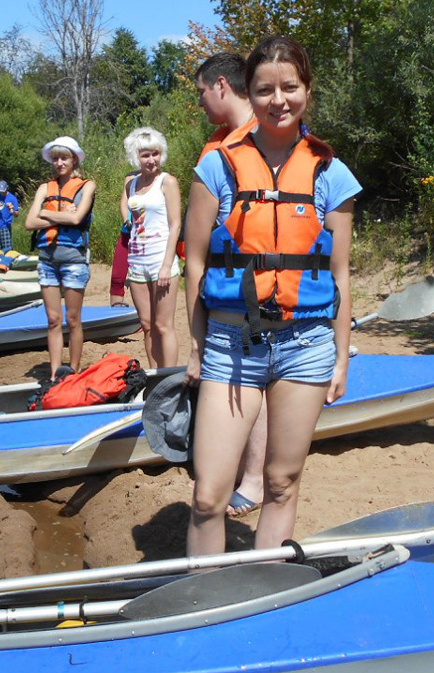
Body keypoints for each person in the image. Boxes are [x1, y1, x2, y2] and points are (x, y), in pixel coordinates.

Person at [184, 36, 360, 555]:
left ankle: (265, 587)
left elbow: (341, 276)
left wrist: (341, 361)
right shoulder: (217, 166)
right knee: (207, 495)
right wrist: (196, 345)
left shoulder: (331, 172)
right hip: (229, 345)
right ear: (249, 92)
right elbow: (194, 261)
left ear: (307, 89)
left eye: (290, 87)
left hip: (306, 345)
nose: (277, 100)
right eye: (264, 89)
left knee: (282, 483)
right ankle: (203, 602)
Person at [194, 52, 266, 518]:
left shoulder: (263, 138)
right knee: (237, 381)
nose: (200, 101)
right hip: (223, 291)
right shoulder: (219, 143)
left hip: (257, 295)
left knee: (254, 380)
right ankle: (241, 468)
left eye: (201, 92)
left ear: (221, 85)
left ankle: (255, 479)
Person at [25, 136, 97, 380]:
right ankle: (56, 373)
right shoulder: (45, 189)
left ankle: (74, 371)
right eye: (55, 158)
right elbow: (29, 222)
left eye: (64, 157)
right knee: (53, 319)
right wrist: (56, 213)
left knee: (73, 318)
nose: (59, 163)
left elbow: (77, 219)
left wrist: (45, 214)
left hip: (73, 260)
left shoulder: (87, 186)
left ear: (73, 159)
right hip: (47, 259)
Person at [120, 127, 181, 368]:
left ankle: (171, 378)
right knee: (146, 325)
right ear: (136, 157)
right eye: (145, 155)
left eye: (155, 154)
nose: (151, 160)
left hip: (161, 260)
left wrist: (166, 265)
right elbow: (130, 220)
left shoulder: (168, 182)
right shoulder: (131, 185)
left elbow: (175, 225)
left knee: (163, 326)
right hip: (137, 262)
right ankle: (156, 378)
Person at [0, 180, 19, 255]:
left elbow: (16, 214)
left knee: (7, 251)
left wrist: (11, 209)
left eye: (3, 191)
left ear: (7, 188)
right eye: (0, 191)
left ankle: (7, 265)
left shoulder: (12, 198)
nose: (2, 193)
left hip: (5, 226)